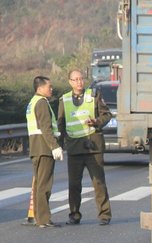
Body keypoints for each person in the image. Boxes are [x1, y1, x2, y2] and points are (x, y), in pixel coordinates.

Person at [57, 70, 112, 225]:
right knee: (74, 184)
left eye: (81, 79)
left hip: (93, 146)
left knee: (99, 182)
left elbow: (107, 115)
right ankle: (74, 215)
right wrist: (58, 146)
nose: (79, 82)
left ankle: (104, 215)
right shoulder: (64, 100)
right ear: (70, 82)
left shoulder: (94, 95)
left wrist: (96, 121)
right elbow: (60, 125)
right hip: (74, 148)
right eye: (75, 80)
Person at [25, 76, 63, 228]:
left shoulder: (32, 102)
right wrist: (54, 146)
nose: (51, 89)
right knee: (44, 185)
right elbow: (45, 128)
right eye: (49, 86)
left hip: (36, 147)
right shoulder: (41, 103)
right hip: (44, 148)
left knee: (39, 184)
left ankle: (39, 217)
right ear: (40, 88)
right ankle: (44, 219)